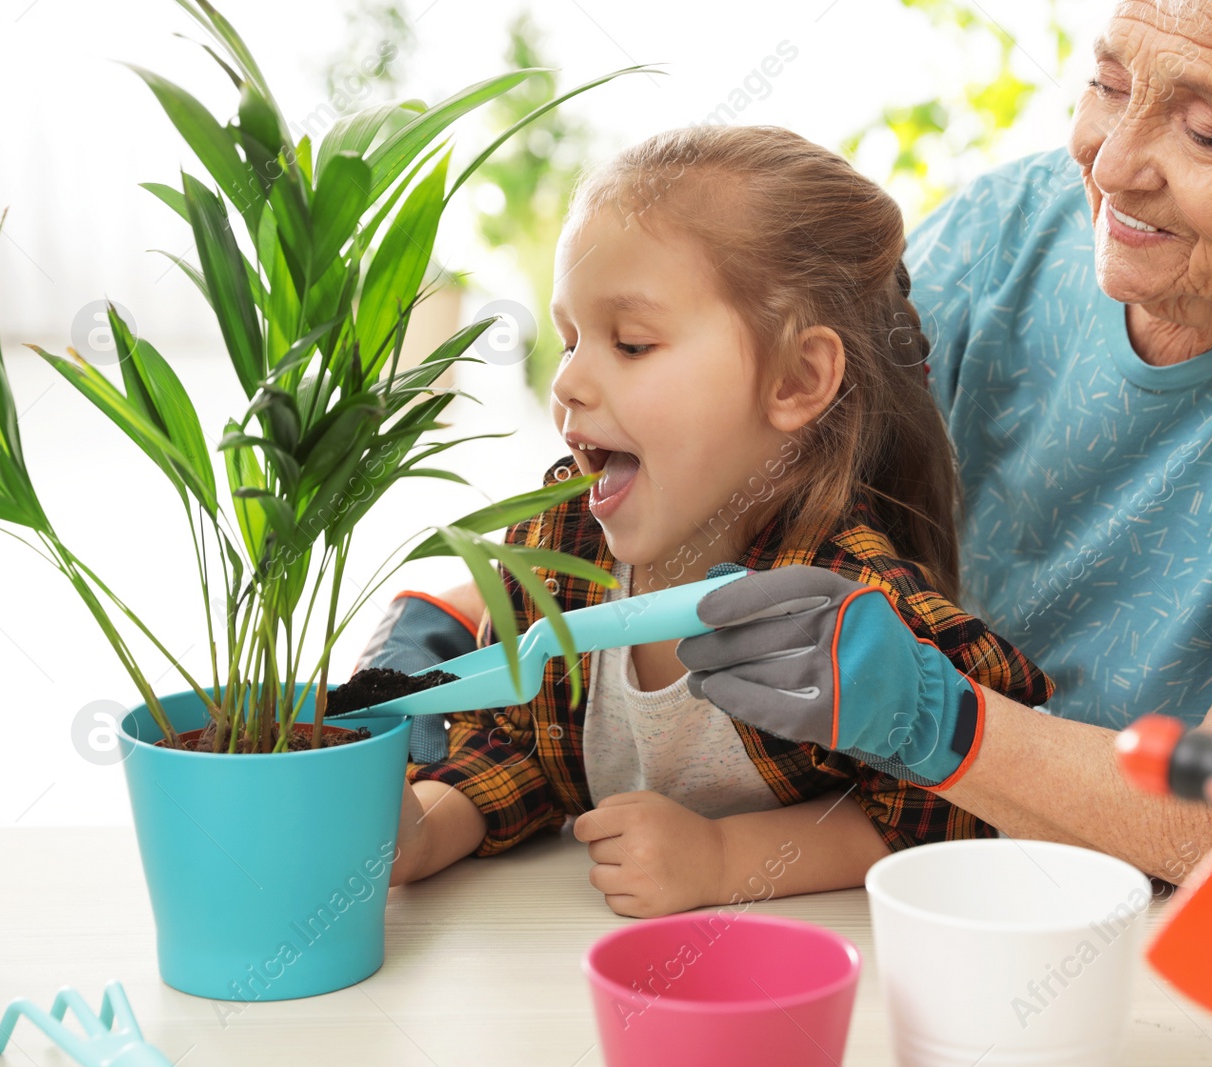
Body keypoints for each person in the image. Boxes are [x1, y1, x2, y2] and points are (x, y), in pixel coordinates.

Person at [376, 0, 1212, 887]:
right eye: (1106, 82)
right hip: (911, 896)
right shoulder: (1013, 231)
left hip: (1150, 925)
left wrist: (936, 719)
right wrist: (475, 604)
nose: (1110, 163)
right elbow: (754, 440)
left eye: (1204, 131)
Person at [378, 124, 1053, 916]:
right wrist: (420, 831)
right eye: (568, 340)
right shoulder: (557, 553)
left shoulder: (843, 605)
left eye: (630, 343)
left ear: (799, 378)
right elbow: (520, 749)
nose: (568, 383)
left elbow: (965, 802)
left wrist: (726, 857)